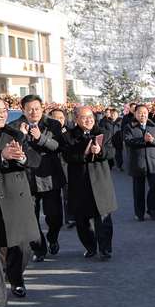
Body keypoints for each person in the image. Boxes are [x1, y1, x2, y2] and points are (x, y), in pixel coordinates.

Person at [0, 96, 41, 307]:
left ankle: (15, 279)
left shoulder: (15, 133)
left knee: (22, 247)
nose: (1, 114)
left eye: (3, 109)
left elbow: (35, 160)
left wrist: (22, 158)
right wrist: (1, 156)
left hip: (16, 198)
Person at [9, 94, 66, 262]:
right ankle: (39, 248)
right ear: (23, 110)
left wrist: (41, 138)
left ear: (42, 109)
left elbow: (58, 146)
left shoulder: (53, 124)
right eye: (29, 109)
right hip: (27, 178)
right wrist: (22, 135)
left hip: (50, 176)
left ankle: (53, 238)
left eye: (37, 108)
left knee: (54, 216)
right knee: (31, 218)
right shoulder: (14, 126)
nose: (33, 112)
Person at [63, 106, 118, 259]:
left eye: (90, 117)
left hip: (100, 180)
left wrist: (100, 151)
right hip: (80, 182)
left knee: (103, 217)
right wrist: (84, 152)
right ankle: (90, 246)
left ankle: (105, 249)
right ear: (76, 120)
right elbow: (67, 156)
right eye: (84, 117)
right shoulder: (68, 136)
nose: (88, 120)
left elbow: (112, 152)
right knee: (83, 220)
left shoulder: (103, 133)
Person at [123, 105, 155, 221]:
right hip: (138, 162)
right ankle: (139, 213)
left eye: (145, 113)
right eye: (140, 113)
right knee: (138, 190)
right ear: (135, 114)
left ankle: (152, 209)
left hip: (153, 162)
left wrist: (152, 140)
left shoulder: (154, 126)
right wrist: (143, 140)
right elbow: (128, 141)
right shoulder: (129, 127)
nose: (143, 115)